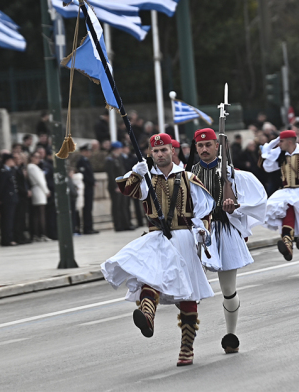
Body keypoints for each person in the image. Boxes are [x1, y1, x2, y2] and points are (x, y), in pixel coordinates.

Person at [102, 133, 214, 367]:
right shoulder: (145, 179)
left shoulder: (188, 177)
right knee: (150, 278)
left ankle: (186, 346)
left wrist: (202, 231)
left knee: (187, 294)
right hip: (157, 236)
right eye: (155, 151)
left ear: (172, 151)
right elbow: (125, 189)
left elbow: (204, 210)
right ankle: (147, 317)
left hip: (182, 237)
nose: (160, 154)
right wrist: (136, 172)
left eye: (164, 150)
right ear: (150, 154)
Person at [190, 128, 266, 355]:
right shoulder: (187, 174)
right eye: (200, 146)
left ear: (217, 146)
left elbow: (255, 201)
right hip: (196, 232)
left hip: (223, 231)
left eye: (208, 145)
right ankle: (188, 340)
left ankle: (231, 334)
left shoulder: (233, 174)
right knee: (190, 288)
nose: (204, 149)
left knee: (228, 289)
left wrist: (235, 206)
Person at [260, 130, 299, 277]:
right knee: (281, 208)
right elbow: (267, 167)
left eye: (281, 141)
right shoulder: (282, 156)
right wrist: (271, 147)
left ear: (289, 141)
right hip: (287, 191)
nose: (279, 144)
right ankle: (287, 242)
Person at [0, 153, 20, 246]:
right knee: (7, 220)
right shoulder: (3, 171)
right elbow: (1, 186)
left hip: (12, 198)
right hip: (7, 198)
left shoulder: (10, 170)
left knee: (10, 220)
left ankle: (9, 238)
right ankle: (7, 239)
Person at [106, 142, 132, 231]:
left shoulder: (119, 158)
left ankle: (126, 224)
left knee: (123, 205)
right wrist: (116, 186)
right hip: (116, 187)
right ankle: (118, 225)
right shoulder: (110, 159)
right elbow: (111, 175)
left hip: (122, 185)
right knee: (116, 207)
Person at [26, 150, 50, 242]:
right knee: (40, 213)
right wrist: (46, 191)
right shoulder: (32, 167)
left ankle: (39, 234)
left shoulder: (35, 167)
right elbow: (40, 180)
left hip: (39, 190)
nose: (37, 159)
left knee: (38, 213)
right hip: (38, 190)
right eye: (35, 157)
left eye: (39, 157)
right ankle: (41, 234)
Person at [76, 145, 98, 234]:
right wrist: (92, 182)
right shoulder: (81, 162)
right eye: (87, 151)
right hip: (86, 187)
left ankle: (90, 226)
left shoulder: (87, 161)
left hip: (89, 187)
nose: (89, 153)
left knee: (89, 208)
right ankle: (87, 228)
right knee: (86, 208)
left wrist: (94, 181)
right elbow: (84, 175)